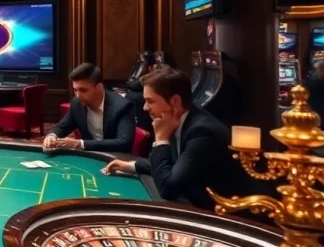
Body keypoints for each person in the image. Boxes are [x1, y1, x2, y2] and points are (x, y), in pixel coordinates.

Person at [101, 68, 268, 209]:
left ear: (174, 101)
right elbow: (174, 166)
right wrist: (132, 166)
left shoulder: (202, 132)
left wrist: (161, 139)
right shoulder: (178, 119)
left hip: (231, 217)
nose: (145, 108)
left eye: (150, 101)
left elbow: (168, 187)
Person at [44, 63, 135, 153]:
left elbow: (124, 143)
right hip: (90, 156)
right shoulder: (77, 103)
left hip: (116, 158)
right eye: (75, 90)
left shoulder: (122, 106)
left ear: (99, 87)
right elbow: (62, 127)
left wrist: (80, 144)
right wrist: (52, 135)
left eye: (83, 90)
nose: (78, 95)